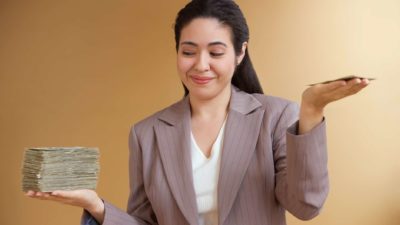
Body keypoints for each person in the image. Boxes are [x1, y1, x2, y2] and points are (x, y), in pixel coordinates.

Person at [26, 0, 370, 224]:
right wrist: (97, 206)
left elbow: (305, 206)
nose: (200, 65)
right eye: (188, 51)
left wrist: (311, 110)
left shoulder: (275, 117)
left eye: (215, 52)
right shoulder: (146, 133)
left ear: (239, 53)